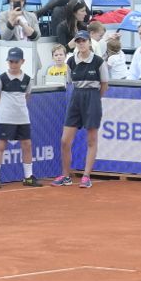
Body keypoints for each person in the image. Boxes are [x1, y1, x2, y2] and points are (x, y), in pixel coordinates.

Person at [53, 29, 106, 188]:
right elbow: (70, 82)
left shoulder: (98, 61)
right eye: (78, 41)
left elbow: (104, 85)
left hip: (92, 97)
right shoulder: (70, 62)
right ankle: (65, 176)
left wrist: (94, 99)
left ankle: (86, 176)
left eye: (84, 41)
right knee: (65, 141)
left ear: (89, 42)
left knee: (91, 139)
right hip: (76, 98)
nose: (81, 44)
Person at [0, 48, 38, 187]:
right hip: (5, 118)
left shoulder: (27, 80)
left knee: (27, 145)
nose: (13, 64)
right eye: (11, 61)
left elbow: (27, 96)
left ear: (22, 61)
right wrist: (6, 109)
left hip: (23, 118)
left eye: (16, 61)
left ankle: (28, 177)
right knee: (1, 145)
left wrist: (18, 109)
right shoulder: (1, 79)